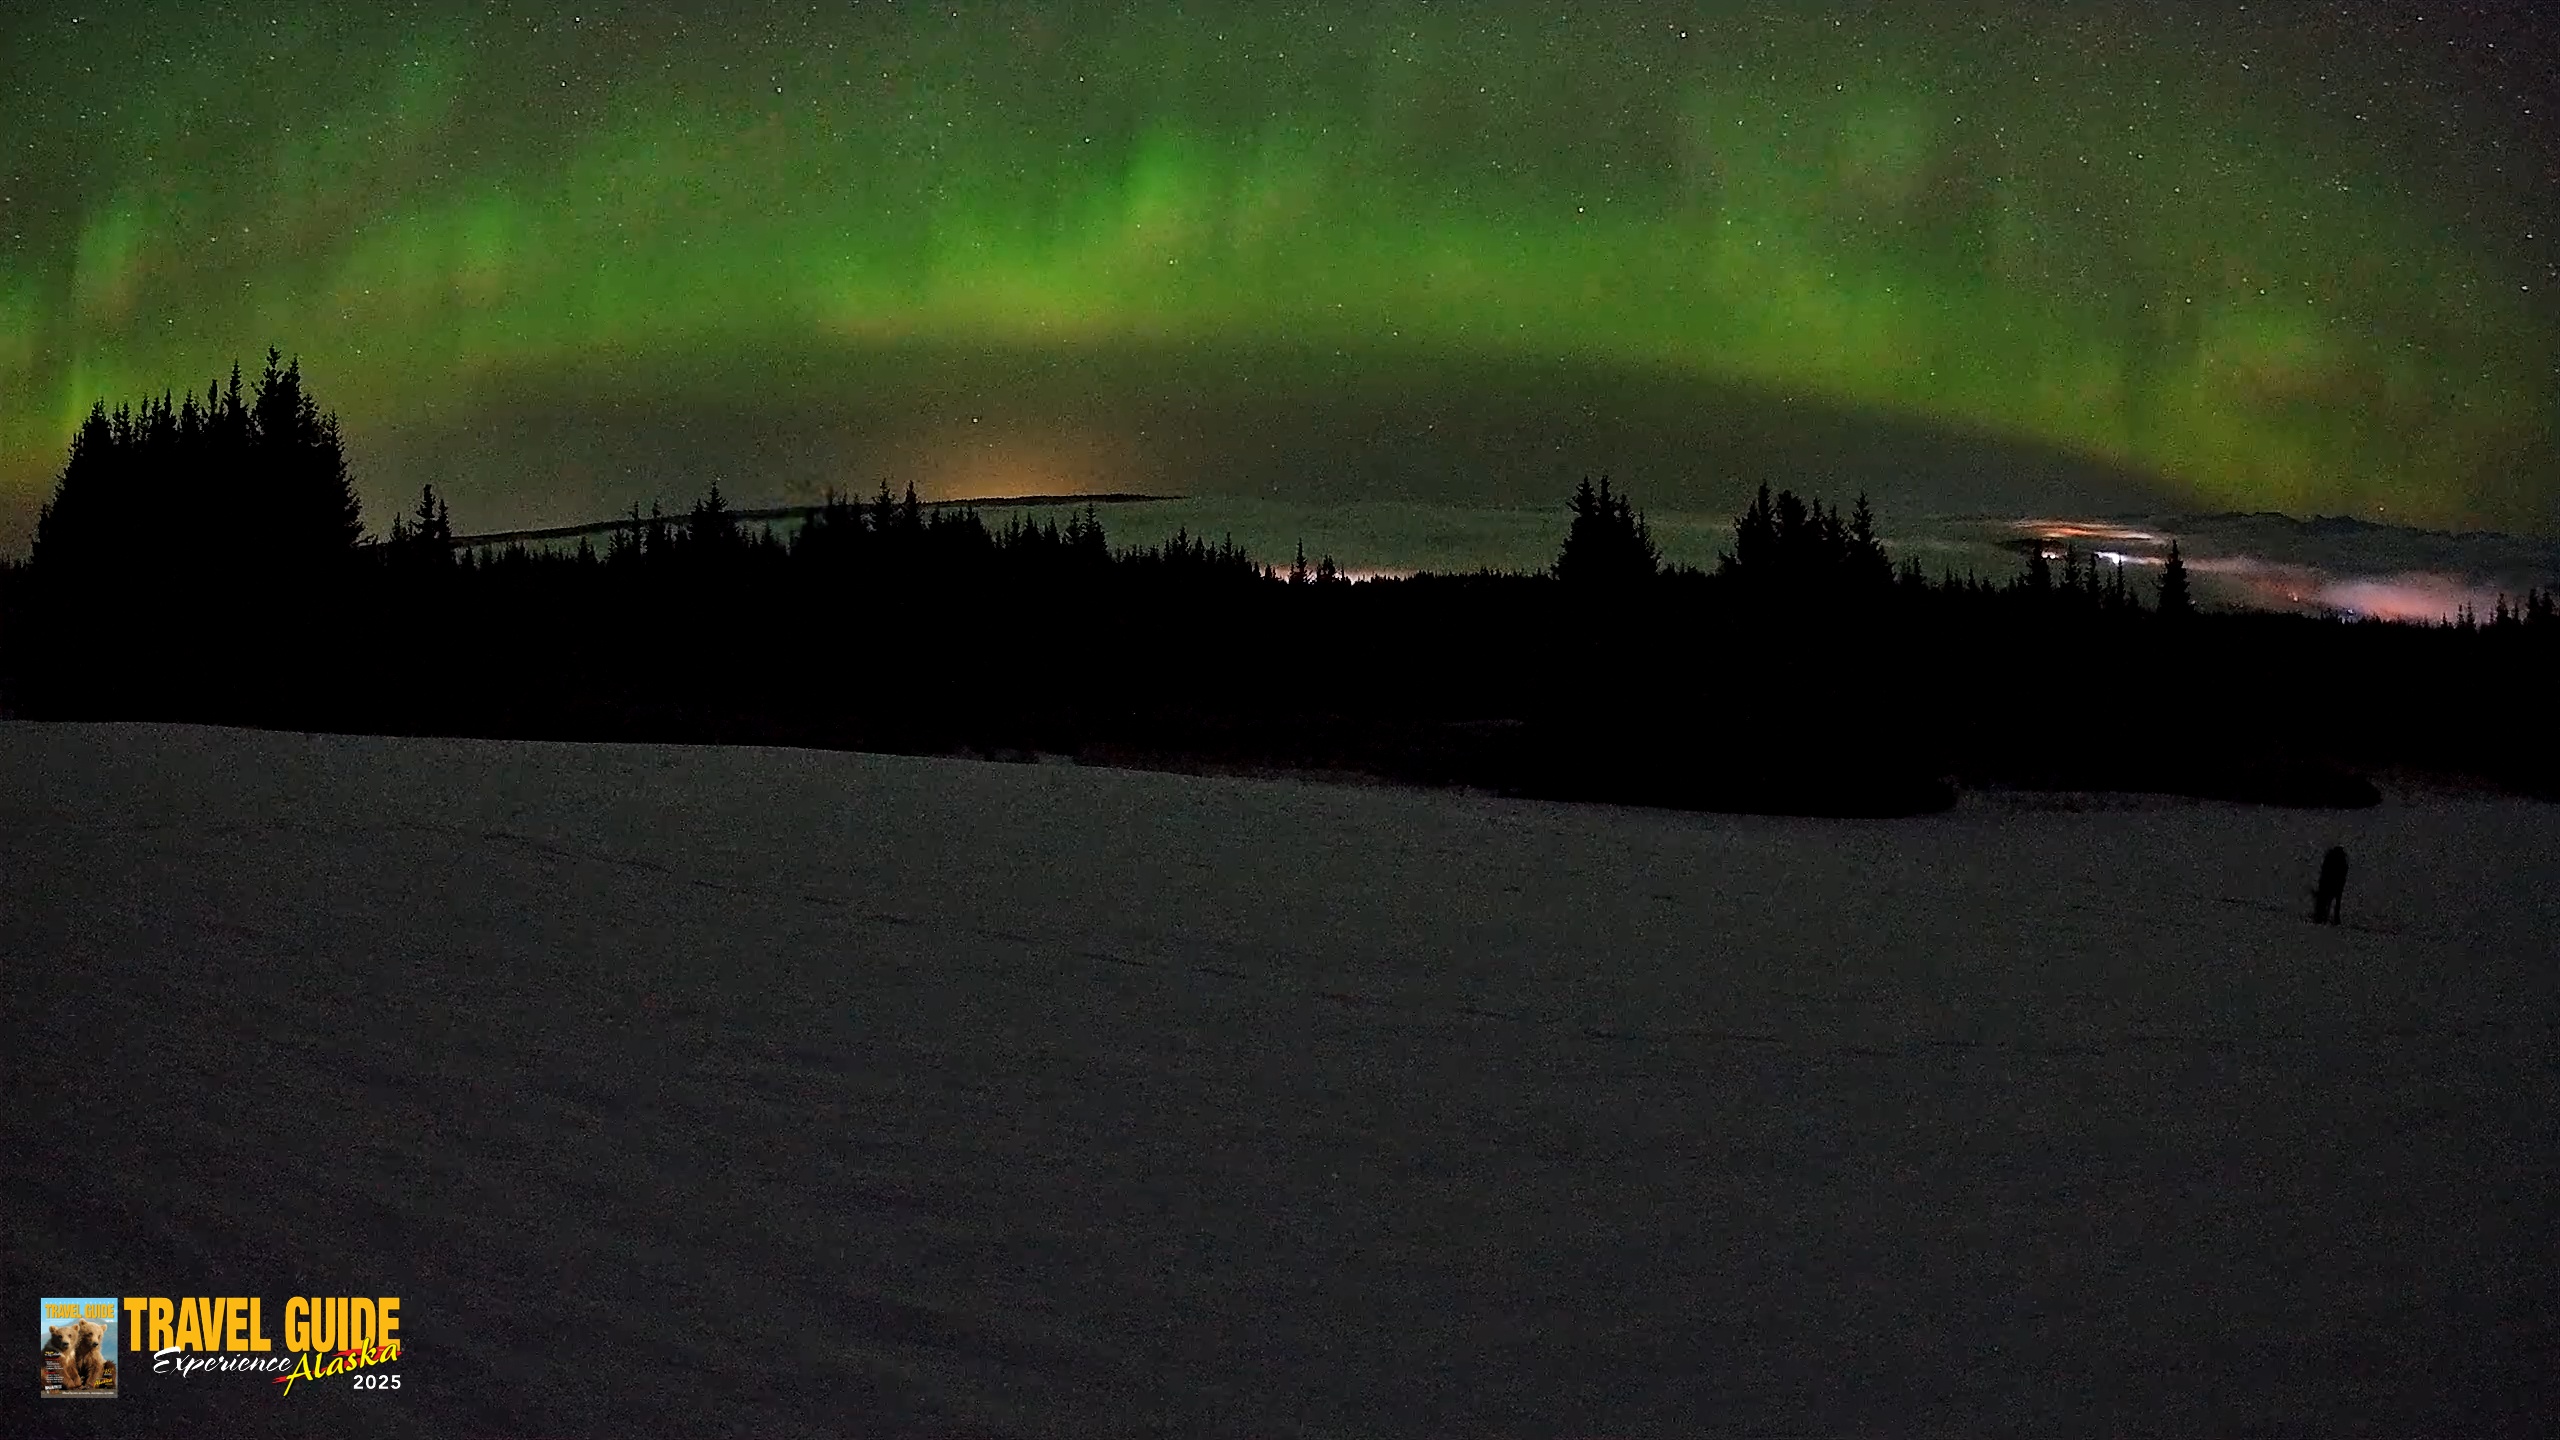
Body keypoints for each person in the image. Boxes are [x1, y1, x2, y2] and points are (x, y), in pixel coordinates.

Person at [2312, 845, 2349, 925]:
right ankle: (2334, 918)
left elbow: (2324, 871)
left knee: (2325, 899)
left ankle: (2323, 916)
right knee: (2334, 901)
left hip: (2329, 881)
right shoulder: (2342, 861)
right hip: (2337, 883)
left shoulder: (2330, 859)